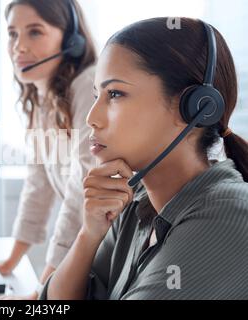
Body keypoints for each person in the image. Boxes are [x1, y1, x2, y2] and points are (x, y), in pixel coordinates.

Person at [42, 17, 248, 300]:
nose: (92, 118)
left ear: (195, 108)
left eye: (115, 94)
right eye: (96, 95)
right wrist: (89, 234)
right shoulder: (134, 198)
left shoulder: (229, 215)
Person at [0, 0, 97, 299]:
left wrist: (42, 290)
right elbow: (39, 185)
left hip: (118, 247)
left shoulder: (89, 86)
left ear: (71, 40)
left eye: (34, 32)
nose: (18, 47)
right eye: (12, 34)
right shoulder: (42, 99)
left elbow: (82, 190)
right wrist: (10, 261)